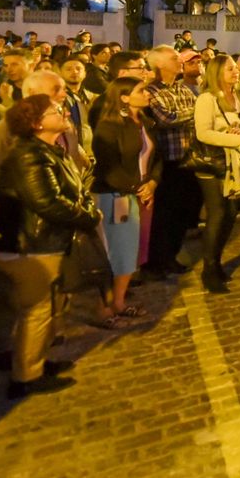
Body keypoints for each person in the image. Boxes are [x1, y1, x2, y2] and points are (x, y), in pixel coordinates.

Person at [0, 95, 100, 399]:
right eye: (56, 111)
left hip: (44, 241)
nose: (64, 112)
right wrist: (88, 216)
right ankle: (26, 375)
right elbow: (47, 201)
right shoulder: (29, 155)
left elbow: (71, 188)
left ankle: (35, 360)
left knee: (45, 307)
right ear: (37, 123)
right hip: (32, 243)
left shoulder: (49, 150)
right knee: (36, 311)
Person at [91, 78, 160, 322]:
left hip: (140, 192)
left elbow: (155, 157)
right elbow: (109, 166)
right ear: (124, 97)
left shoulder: (145, 122)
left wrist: (152, 183)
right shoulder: (110, 127)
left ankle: (119, 301)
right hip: (116, 194)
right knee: (115, 250)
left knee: (131, 250)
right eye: (141, 91)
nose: (148, 94)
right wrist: (135, 187)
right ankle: (105, 306)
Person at [190, 55, 240, 294]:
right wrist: (237, 137)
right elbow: (203, 133)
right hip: (214, 164)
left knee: (230, 214)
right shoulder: (207, 99)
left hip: (235, 164)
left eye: (235, 68)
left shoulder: (237, 96)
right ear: (216, 72)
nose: (236, 72)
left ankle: (217, 261)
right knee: (217, 214)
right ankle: (208, 269)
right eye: (230, 69)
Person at [143, 46, 201, 276]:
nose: (180, 61)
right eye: (174, 58)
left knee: (181, 214)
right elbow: (166, 119)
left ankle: (172, 256)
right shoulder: (152, 92)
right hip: (166, 163)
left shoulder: (183, 89)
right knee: (163, 216)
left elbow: (186, 116)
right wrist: (194, 112)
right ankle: (157, 261)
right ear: (160, 65)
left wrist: (189, 114)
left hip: (187, 160)